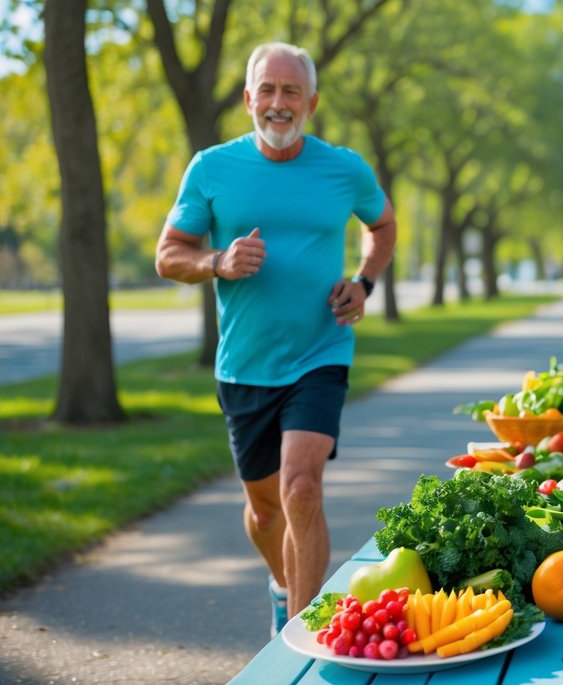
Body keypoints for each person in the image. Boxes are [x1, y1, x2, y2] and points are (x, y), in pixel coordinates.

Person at [154, 42, 396, 635]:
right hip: (244, 364)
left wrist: (364, 281)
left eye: (292, 91)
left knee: (301, 486)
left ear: (311, 103)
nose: (278, 102)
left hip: (321, 350)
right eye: (267, 89)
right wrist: (217, 261)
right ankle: (284, 587)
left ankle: (303, 640)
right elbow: (168, 255)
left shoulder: (344, 168)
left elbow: (383, 224)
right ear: (248, 99)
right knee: (266, 514)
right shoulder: (211, 168)